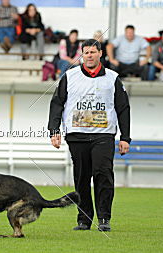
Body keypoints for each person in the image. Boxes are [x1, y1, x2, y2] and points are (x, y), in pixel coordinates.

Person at [48, 39, 131, 232]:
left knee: (103, 175)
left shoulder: (112, 78)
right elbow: (57, 104)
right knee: (81, 178)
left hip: (104, 135)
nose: (90, 55)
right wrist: (54, 130)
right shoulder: (69, 76)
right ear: (82, 55)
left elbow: (123, 109)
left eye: (93, 52)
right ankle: (84, 220)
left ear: (100, 53)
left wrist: (125, 137)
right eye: (86, 52)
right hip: (77, 136)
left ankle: (104, 218)